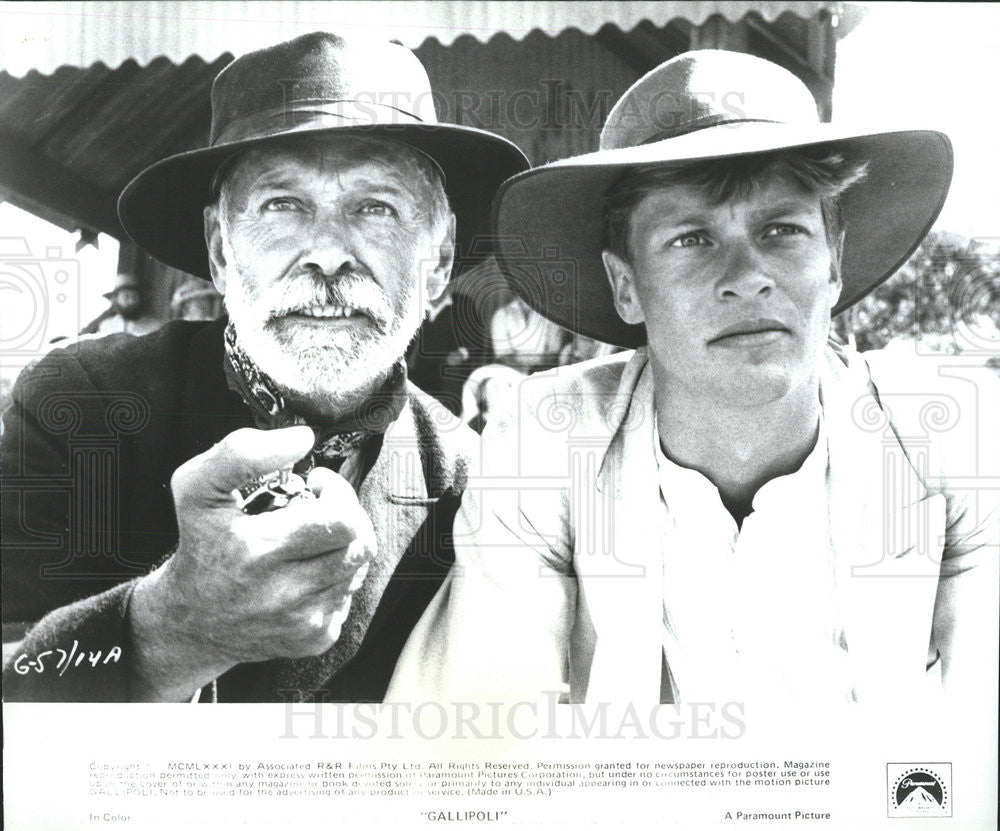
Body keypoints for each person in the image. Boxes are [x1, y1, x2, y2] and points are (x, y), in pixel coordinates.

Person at [387, 50, 1000, 705]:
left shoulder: (953, 440)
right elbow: (483, 737)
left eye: (782, 230)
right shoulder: (544, 447)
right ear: (626, 286)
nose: (747, 276)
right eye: (692, 240)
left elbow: (979, 744)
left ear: (835, 261)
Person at [1, 31, 528, 701]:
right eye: (283, 205)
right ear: (220, 252)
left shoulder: (474, 487)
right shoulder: (80, 407)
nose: (329, 253)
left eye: (375, 208)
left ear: (440, 263)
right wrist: (169, 630)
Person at [83, 272, 163, 336]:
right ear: (116, 299)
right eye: (126, 297)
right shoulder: (106, 326)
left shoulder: (154, 328)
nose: (131, 301)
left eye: (134, 297)